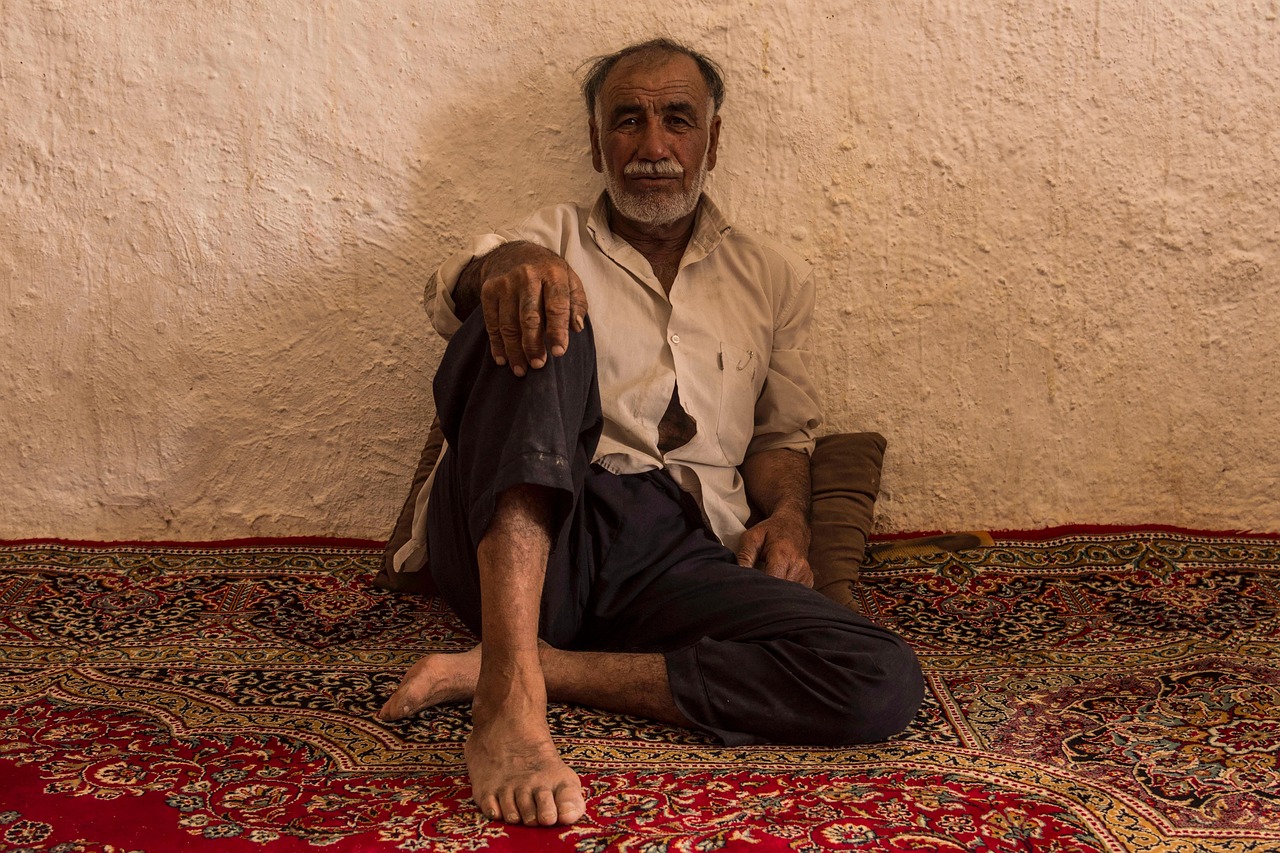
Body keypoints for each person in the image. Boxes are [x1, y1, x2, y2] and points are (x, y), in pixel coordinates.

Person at [377, 38, 924, 829]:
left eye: (677, 119)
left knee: (880, 676)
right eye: (628, 121)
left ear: (713, 139)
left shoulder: (772, 277)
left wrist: (789, 515)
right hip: (535, 523)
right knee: (543, 302)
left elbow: (779, 435)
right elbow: (448, 293)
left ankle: (535, 665)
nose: (653, 145)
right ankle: (509, 698)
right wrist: (514, 264)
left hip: (675, 551)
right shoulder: (550, 236)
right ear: (596, 141)